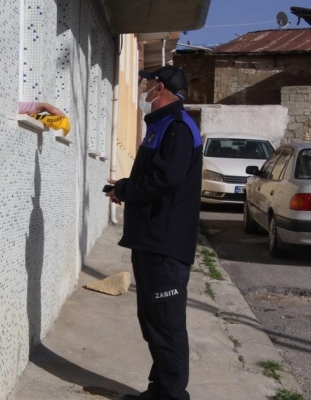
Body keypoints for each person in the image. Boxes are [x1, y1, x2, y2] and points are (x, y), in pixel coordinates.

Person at [105, 66, 203, 400]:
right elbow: (155, 178)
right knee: (153, 323)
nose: (144, 90)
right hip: (151, 240)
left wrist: (127, 190)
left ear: (160, 87)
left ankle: (174, 396)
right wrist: (124, 189)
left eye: (148, 84)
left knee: (167, 325)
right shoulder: (162, 126)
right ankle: (159, 391)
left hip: (166, 245)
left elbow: (166, 179)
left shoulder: (178, 127)